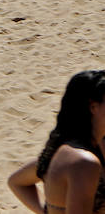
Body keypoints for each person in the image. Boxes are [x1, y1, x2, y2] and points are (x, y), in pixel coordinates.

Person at [7, 69, 105, 214]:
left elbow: (17, 181)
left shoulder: (65, 152)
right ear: (93, 107)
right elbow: (17, 182)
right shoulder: (84, 162)